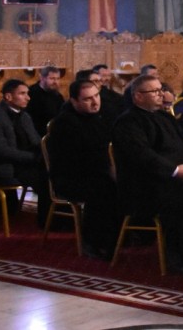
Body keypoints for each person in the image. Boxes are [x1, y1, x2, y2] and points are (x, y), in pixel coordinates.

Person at [111, 75, 183, 274]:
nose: (161, 94)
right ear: (138, 96)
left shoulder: (166, 116)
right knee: (179, 201)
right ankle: (176, 259)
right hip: (144, 185)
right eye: (154, 91)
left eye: (160, 89)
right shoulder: (127, 122)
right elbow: (142, 156)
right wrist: (175, 171)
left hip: (178, 177)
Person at [47, 79, 120, 259]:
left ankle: (123, 236)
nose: (95, 102)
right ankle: (94, 242)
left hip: (98, 172)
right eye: (87, 99)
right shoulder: (64, 123)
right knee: (105, 189)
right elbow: (75, 159)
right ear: (74, 101)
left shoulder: (101, 117)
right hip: (71, 177)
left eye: (96, 96)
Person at [0, 79, 50, 226]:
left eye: (27, 93)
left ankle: (54, 218)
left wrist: (45, 154)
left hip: (22, 164)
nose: (28, 98)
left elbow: (36, 141)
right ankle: (47, 222)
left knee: (53, 173)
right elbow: (1, 151)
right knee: (45, 179)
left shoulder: (24, 116)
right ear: (8, 96)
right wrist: (34, 158)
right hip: (1, 168)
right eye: (22, 94)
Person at [27, 65, 64, 137]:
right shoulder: (31, 93)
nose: (55, 82)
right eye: (52, 78)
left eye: (58, 78)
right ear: (42, 78)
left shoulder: (58, 96)